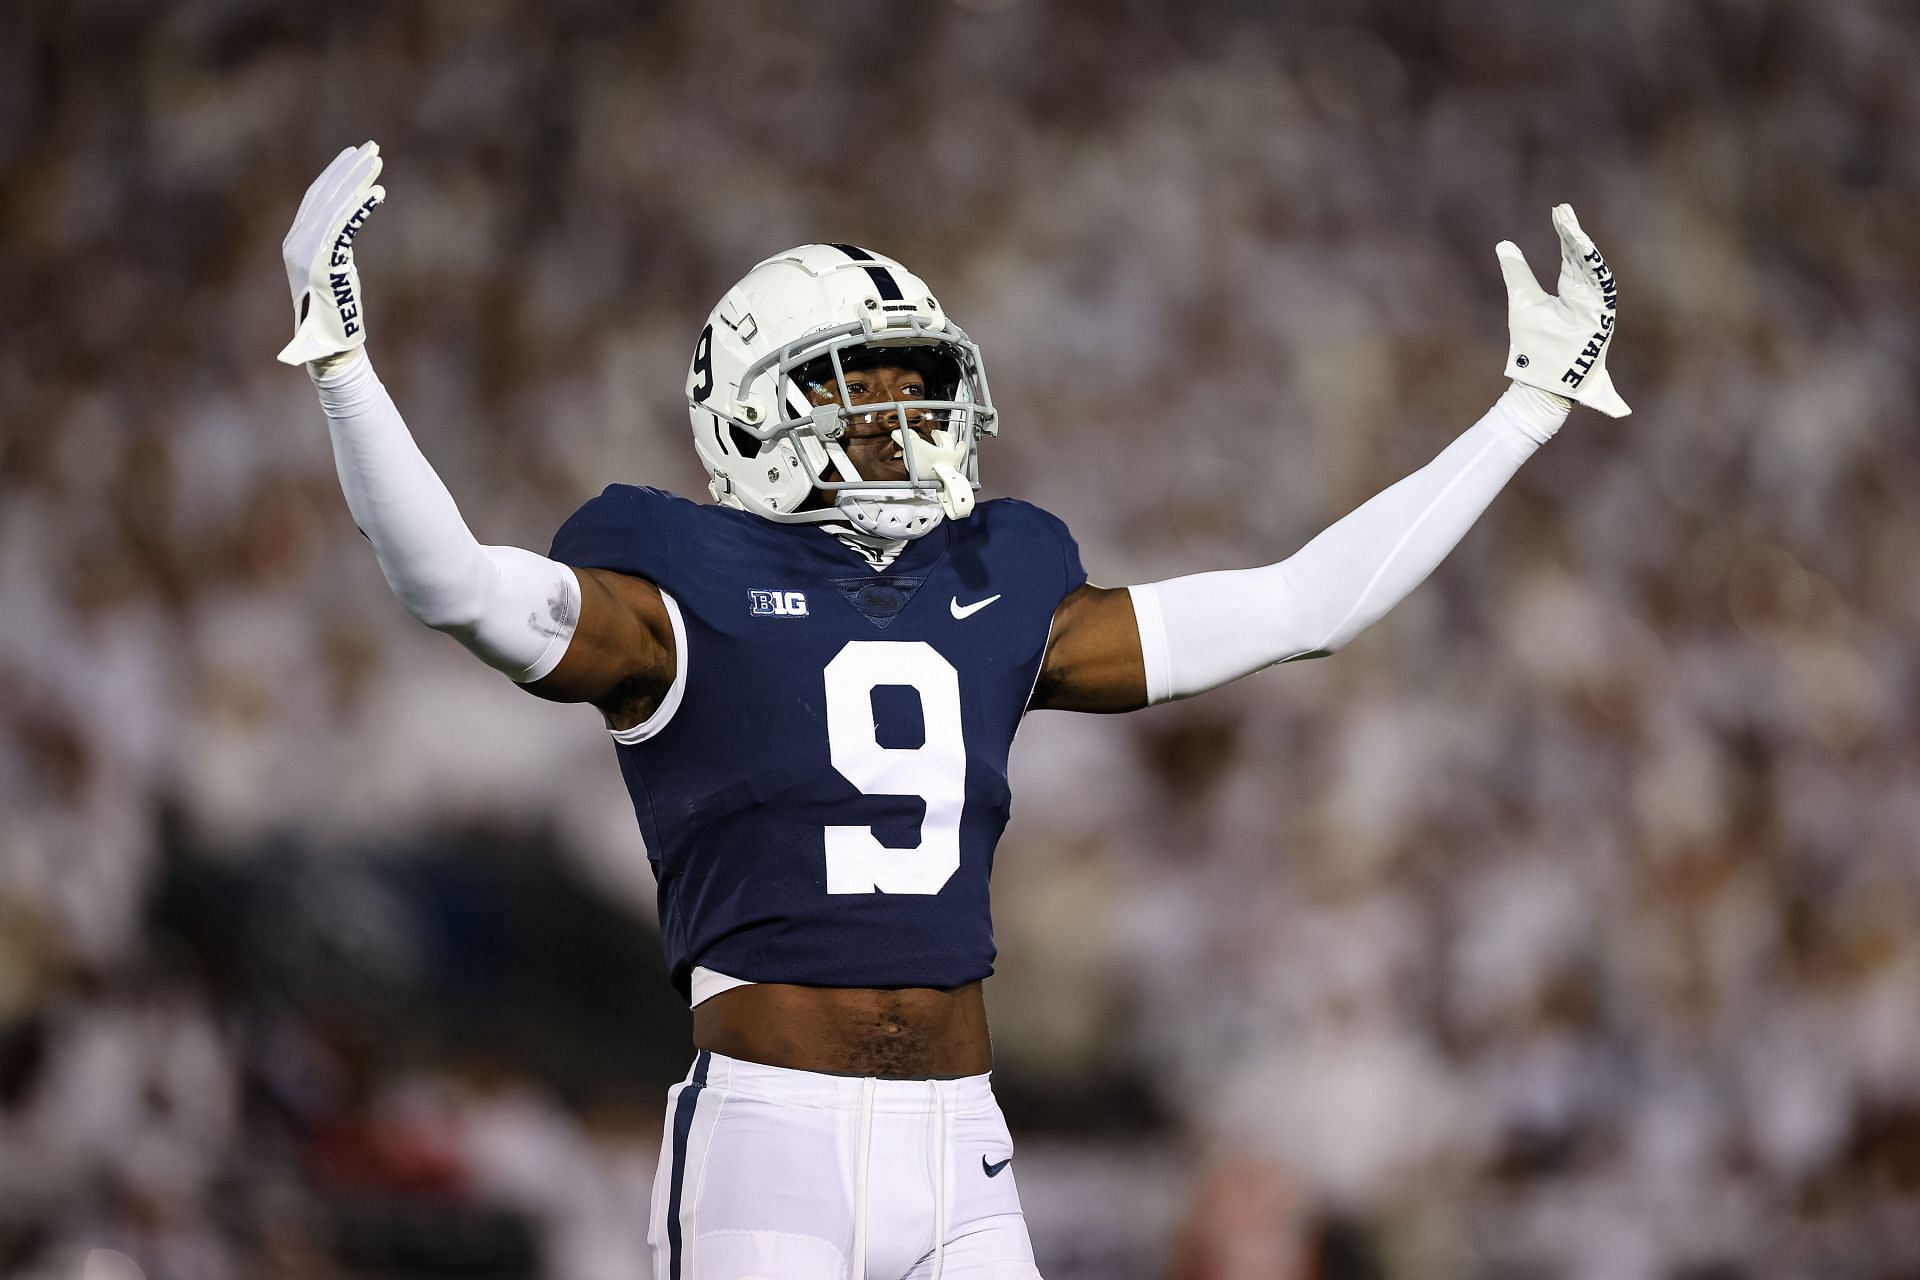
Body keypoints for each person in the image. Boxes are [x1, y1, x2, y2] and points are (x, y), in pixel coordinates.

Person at [277, 141, 1629, 1280]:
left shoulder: (994, 577)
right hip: (772, 1140)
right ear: (759, 409)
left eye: (920, 381)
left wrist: (1523, 410)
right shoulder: (675, 577)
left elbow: (1302, 608)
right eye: (867, 386)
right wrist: (342, 361)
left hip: (964, 1142)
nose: (911, 417)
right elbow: (453, 585)